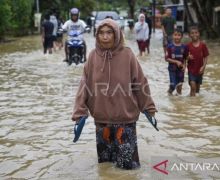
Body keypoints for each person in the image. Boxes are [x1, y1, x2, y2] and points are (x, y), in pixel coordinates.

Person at [72, 19, 157, 170]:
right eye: (101, 33)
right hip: (101, 121)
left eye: (109, 33)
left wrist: (148, 108)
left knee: (128, 169)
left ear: (116, 34)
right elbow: (84, 86)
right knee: (105, 168)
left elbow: (140, 83)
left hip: (125, 120)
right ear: (97, 36)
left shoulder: (127, 55)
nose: (105, 37)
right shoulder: (92, 56)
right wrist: (79, 114)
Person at [187, 26, 209, 96]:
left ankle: (195, 103)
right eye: (192, 33)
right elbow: (184, 57)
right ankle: (192, 103)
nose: (194, 34)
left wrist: (203, 66)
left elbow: (206, 56)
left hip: (199, 70)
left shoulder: (203, 45)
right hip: (191, 70)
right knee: (193, 86)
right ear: (189, 35)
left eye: (196, 33)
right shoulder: (188, 46)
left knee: (197, 89)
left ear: (199, 33)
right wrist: (188, 57)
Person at [165, 29, 188, 95]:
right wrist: (176, 62)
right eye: (175, 35)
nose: (177, 37)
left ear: (182, 36)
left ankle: (178, 102)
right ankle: (169, 93)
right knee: (173, 85)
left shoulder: (184, 47)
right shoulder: (169, 46)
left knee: (179, 87)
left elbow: (185, 58)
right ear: (173, 36)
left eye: (179, 35)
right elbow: (166, 58)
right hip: (172, 69)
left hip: (181, 70)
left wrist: (185, 66)